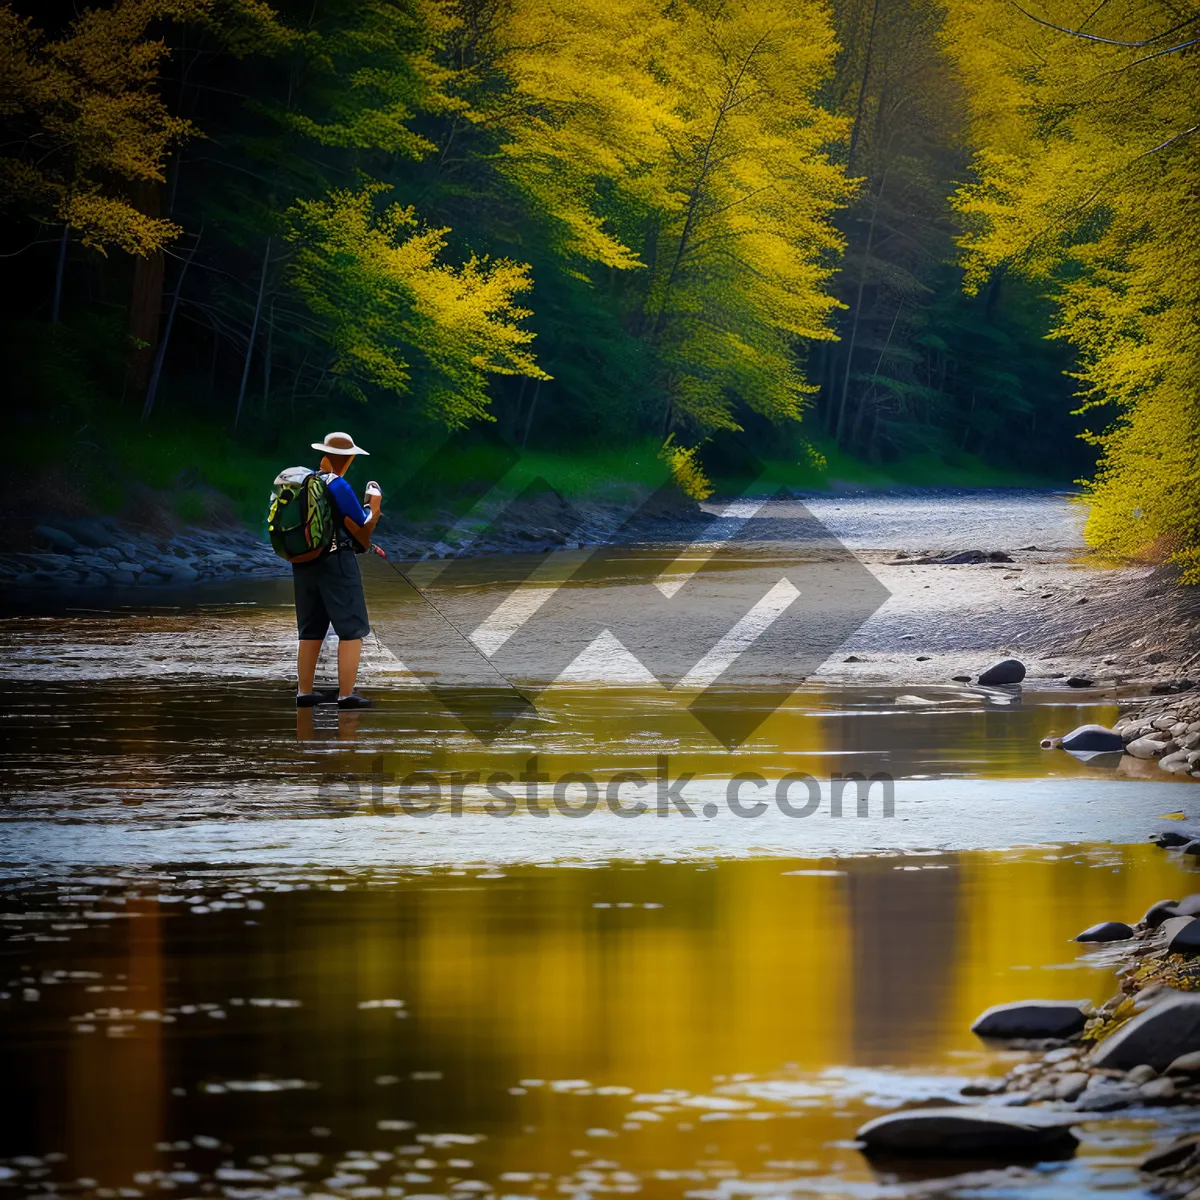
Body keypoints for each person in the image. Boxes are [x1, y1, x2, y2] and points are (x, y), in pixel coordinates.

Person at [293, 431, 382, 709]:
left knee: (310, 630)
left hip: (303, 563)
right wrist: (374, 505)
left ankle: (304, 693)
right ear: (347, 458)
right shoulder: (337, 484)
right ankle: (346, 695)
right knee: (352, 629)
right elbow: (362, 524)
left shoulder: (304, 481)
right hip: (336, 562)